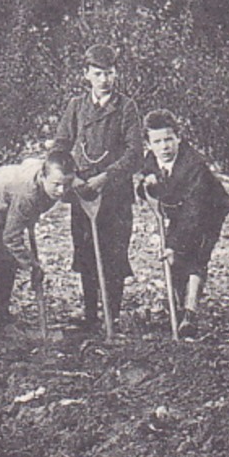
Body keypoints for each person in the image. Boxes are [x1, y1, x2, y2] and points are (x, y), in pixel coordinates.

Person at [52, 44, 143, 330]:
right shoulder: (76, 107)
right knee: (85, 252)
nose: (105, 79)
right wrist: (72, 177)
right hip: (83, 193)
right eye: (98, 73)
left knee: (114, 252)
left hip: (114, 194)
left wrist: (106, 177)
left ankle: (111, 315)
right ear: (86, 75)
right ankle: (90, 314)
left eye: (110, 73)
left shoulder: (126, 107)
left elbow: (135, 153)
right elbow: (60, 146)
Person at [136, 110, 229, 339]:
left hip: (209, 211)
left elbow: (195, 214)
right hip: (179, 211)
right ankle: (176, 306)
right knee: (174, 259)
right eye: (157, 141)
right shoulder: (150, 159)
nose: (164, 146)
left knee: (196, 256)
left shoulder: (194, 165)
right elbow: (147, 188)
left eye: (169, 139)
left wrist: (175, 245)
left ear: (178, 137)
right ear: (149, 143)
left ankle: (190, 313)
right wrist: (146, 185)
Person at [0, 151, 77, 330]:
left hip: (11, 197)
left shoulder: (48, 174)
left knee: (11, 251)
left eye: (67, 185)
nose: (62, 191)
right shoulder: (27, 195)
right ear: (43, 177)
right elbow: (11, 238)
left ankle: (3, 314)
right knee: (5, 259)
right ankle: (2, 316)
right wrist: (32, 265)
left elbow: (28, 161)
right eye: (56, 185)